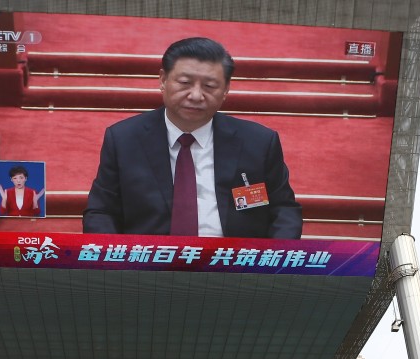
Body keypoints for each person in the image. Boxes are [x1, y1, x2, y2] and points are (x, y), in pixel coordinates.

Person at [84, 37, 302, 238]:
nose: (196, 95)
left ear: (226, 89)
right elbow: (101, 212)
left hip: (234, 267)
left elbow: (284, 211)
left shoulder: (259, 142)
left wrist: (272, 266)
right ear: (163, 80)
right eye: (185, 83)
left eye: (209, 86)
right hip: (148, 268)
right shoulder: (123, 139)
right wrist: (115, 266)